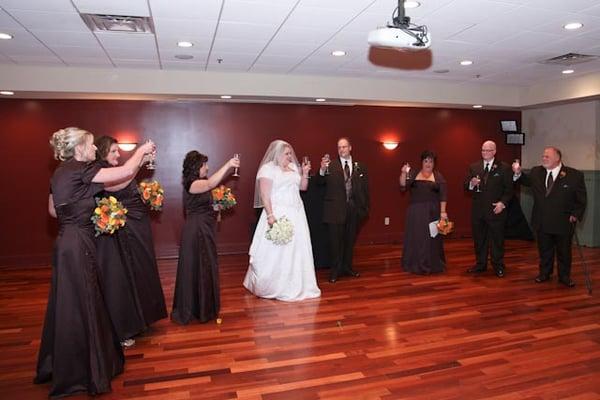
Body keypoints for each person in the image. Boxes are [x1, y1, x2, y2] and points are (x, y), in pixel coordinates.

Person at [35, 127, 155, 398]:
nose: (93, 150)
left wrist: (78, 211)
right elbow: (122, 174)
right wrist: (141, 151)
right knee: (85, 300)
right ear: (78, 150)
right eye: (90, 146)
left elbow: (54, 211)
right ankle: (87, 368)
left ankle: (67, 363)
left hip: (66, 242)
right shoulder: (80, 169)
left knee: (69, 302)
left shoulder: (60, 173)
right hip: (79, 244)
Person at [94, 136, 167, 347]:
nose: (118, 154)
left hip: (137, 227)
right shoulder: (101, 172)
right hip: (123, 233)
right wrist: (140, 156)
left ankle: (142, 317)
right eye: (114, 151)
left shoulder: (117, 169)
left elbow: (127, 177)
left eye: (118, 150)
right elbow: (120, 184)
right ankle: (126, 324)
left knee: (142, 271)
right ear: (102, 152)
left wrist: (141, 163)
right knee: (126, 275)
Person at [243, 140, 321, 301]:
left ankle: (297, 284)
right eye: (286, 153)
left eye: (290, 153)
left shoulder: (293, 168)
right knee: (277, 250)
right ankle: (272, 285)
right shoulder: (268, 169)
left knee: (297, 250)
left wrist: (305, 173)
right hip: (277, 213)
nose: (290, 156)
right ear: (277, 154)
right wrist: (271, 216)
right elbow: (265, 195)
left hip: (297, 214)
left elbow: (302, 187)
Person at [171, 151, 240, 324]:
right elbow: (210, 184)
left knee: (205, 266)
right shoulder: (191, 184)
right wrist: (229, 165)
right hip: (197, 231)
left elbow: (203, 200)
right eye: (204, 165)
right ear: (196, 167)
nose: (207, 167)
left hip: (204, 228)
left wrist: (215, 207)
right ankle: (195, 309)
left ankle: (204, 307)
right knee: (198, 266)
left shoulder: (198, 183)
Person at [512, 147, 587, 287]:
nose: (543, 158)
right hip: (541, 220)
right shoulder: (536, 172)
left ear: (557, 158)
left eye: (547, 156)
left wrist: (575, 214)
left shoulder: (574, 175)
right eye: (543, 156)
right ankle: (544, 273)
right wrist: (517, 173)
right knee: (544, 250)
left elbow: (581, 199)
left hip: (563, 221)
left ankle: (564, 276)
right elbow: (525, 181)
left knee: (564, 251)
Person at [316, 137, 369, 283]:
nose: (341, 150)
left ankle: (347, 268)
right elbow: (319, 182)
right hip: (335, 210)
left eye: (344, 147)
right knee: (335, 242)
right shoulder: (330, 165)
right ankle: (335, 271)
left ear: (350, 148)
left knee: (349, 240)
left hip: (354, 209)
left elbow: (365, 189)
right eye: (339, 147)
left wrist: (364, 209)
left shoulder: (360, 167)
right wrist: (321, 169)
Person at [465, 140, 513, 278]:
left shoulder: (504, 168)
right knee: (479, 239)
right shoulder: (474, 166)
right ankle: (480, 264)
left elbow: (509, 190)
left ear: (494, 151)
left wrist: (502, 203)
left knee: (497, 240)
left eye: (487, 150)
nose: (484, 153)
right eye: (483, 150)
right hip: (478, 211)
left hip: (496, 210)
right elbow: (465, 186)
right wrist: (471, 184)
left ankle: (498, 265)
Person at [399, 150, 448, 274]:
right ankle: (414, 264)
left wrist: (443, 212)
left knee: (432, 238)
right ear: (421, 162)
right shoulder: (414, 173)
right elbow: (403, 186)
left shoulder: (438, 176)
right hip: (415, 212)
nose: (428, 164)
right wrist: (403, 173)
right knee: (416, 238)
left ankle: (432, 264)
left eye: (431, 161)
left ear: (434, 163)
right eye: (426, 161)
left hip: (433, 212)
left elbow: (443, 196)